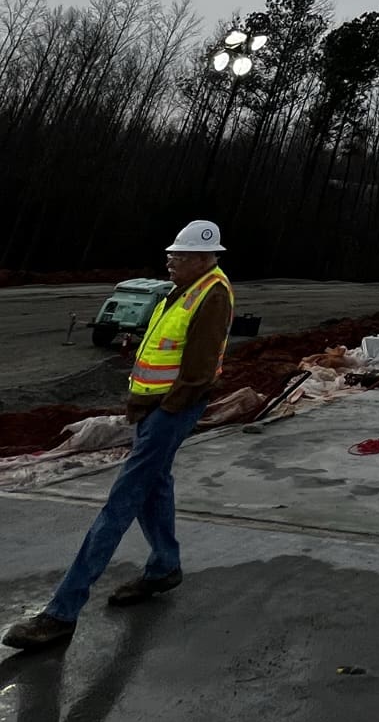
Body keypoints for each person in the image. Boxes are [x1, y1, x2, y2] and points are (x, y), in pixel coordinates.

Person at [3, 219, 234, 653]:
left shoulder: (212, 295)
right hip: (155, 408)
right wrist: (141, 404)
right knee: (154, 486)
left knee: (120, 503)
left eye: (178, 255)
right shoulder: (183, 290)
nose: (170, 260)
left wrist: (164, 411)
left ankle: (62, 612)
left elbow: (200, 373)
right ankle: (165, 566)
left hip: (173, 410)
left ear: (203, 259)